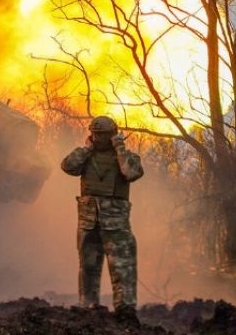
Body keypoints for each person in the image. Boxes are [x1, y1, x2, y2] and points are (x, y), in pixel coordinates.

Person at [61, 115, 143, 321]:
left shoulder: (127, 157)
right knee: (88, 267)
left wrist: (119, 148)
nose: (97, 138)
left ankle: (126, 311)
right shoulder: (85, 156)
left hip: (116, 224)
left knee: (123, 269)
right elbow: (68, 167)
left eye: (102, 134)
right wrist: (87, 149)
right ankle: (88, 307)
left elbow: (131, 173)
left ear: (112, 135)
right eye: (94, 134)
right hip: (88, 222)